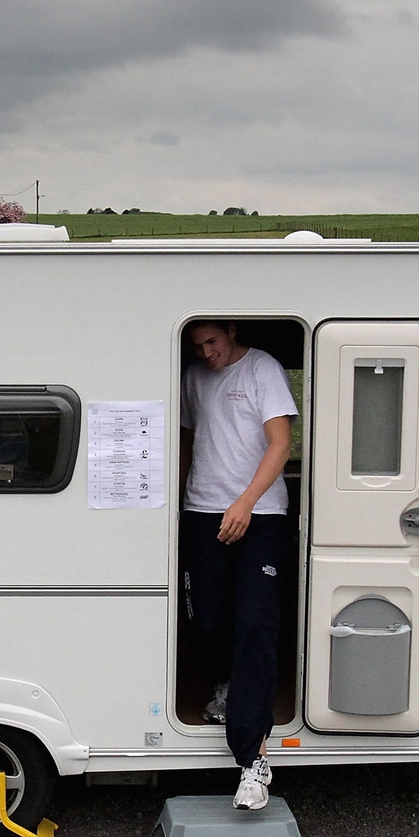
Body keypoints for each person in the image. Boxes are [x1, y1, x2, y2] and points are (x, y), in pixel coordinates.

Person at [180, 321, 297, 810]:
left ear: (230, 332)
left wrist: (246, 503)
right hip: (201, 510)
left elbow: (280, 443)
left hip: (260, 517)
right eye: (198, 346)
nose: (206, 353)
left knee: (255, 626)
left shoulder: (262, 368)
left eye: (213, 342)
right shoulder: (194, 376)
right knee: (204, 618)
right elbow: (189, 440)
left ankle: (252, 761)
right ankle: (227, 686)